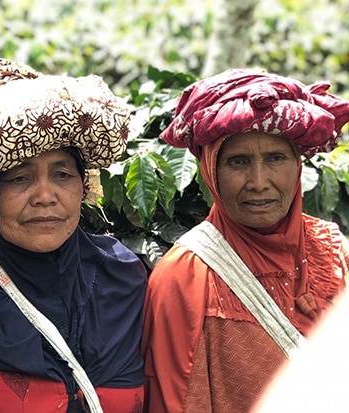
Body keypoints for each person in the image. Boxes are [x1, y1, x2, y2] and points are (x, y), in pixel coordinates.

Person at [0, 58, 148, 413]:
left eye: (63, 174)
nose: (45, 196)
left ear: (84, 185)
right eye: (19, 178)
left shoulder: (124, 278)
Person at [141, 68, 349, 413]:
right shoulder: (185, 276)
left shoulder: (335, 254)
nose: (258, 181)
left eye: (275, 159)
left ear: (297, 165)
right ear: (211, 170)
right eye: (238, 162)